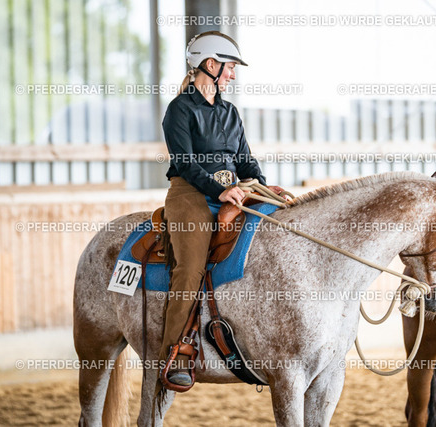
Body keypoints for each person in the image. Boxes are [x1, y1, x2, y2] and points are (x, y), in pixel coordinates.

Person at [159, 31, 277, 387]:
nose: (233, 75)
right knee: (190, 268)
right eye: (230, 67)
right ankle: (177, 353)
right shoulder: (180, 110)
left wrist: (263, 186)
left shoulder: (229, 112)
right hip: (190, 194)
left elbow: (245, 160)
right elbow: (185, 163)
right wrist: (220, 190)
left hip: (231, 191)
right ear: (211, 65)